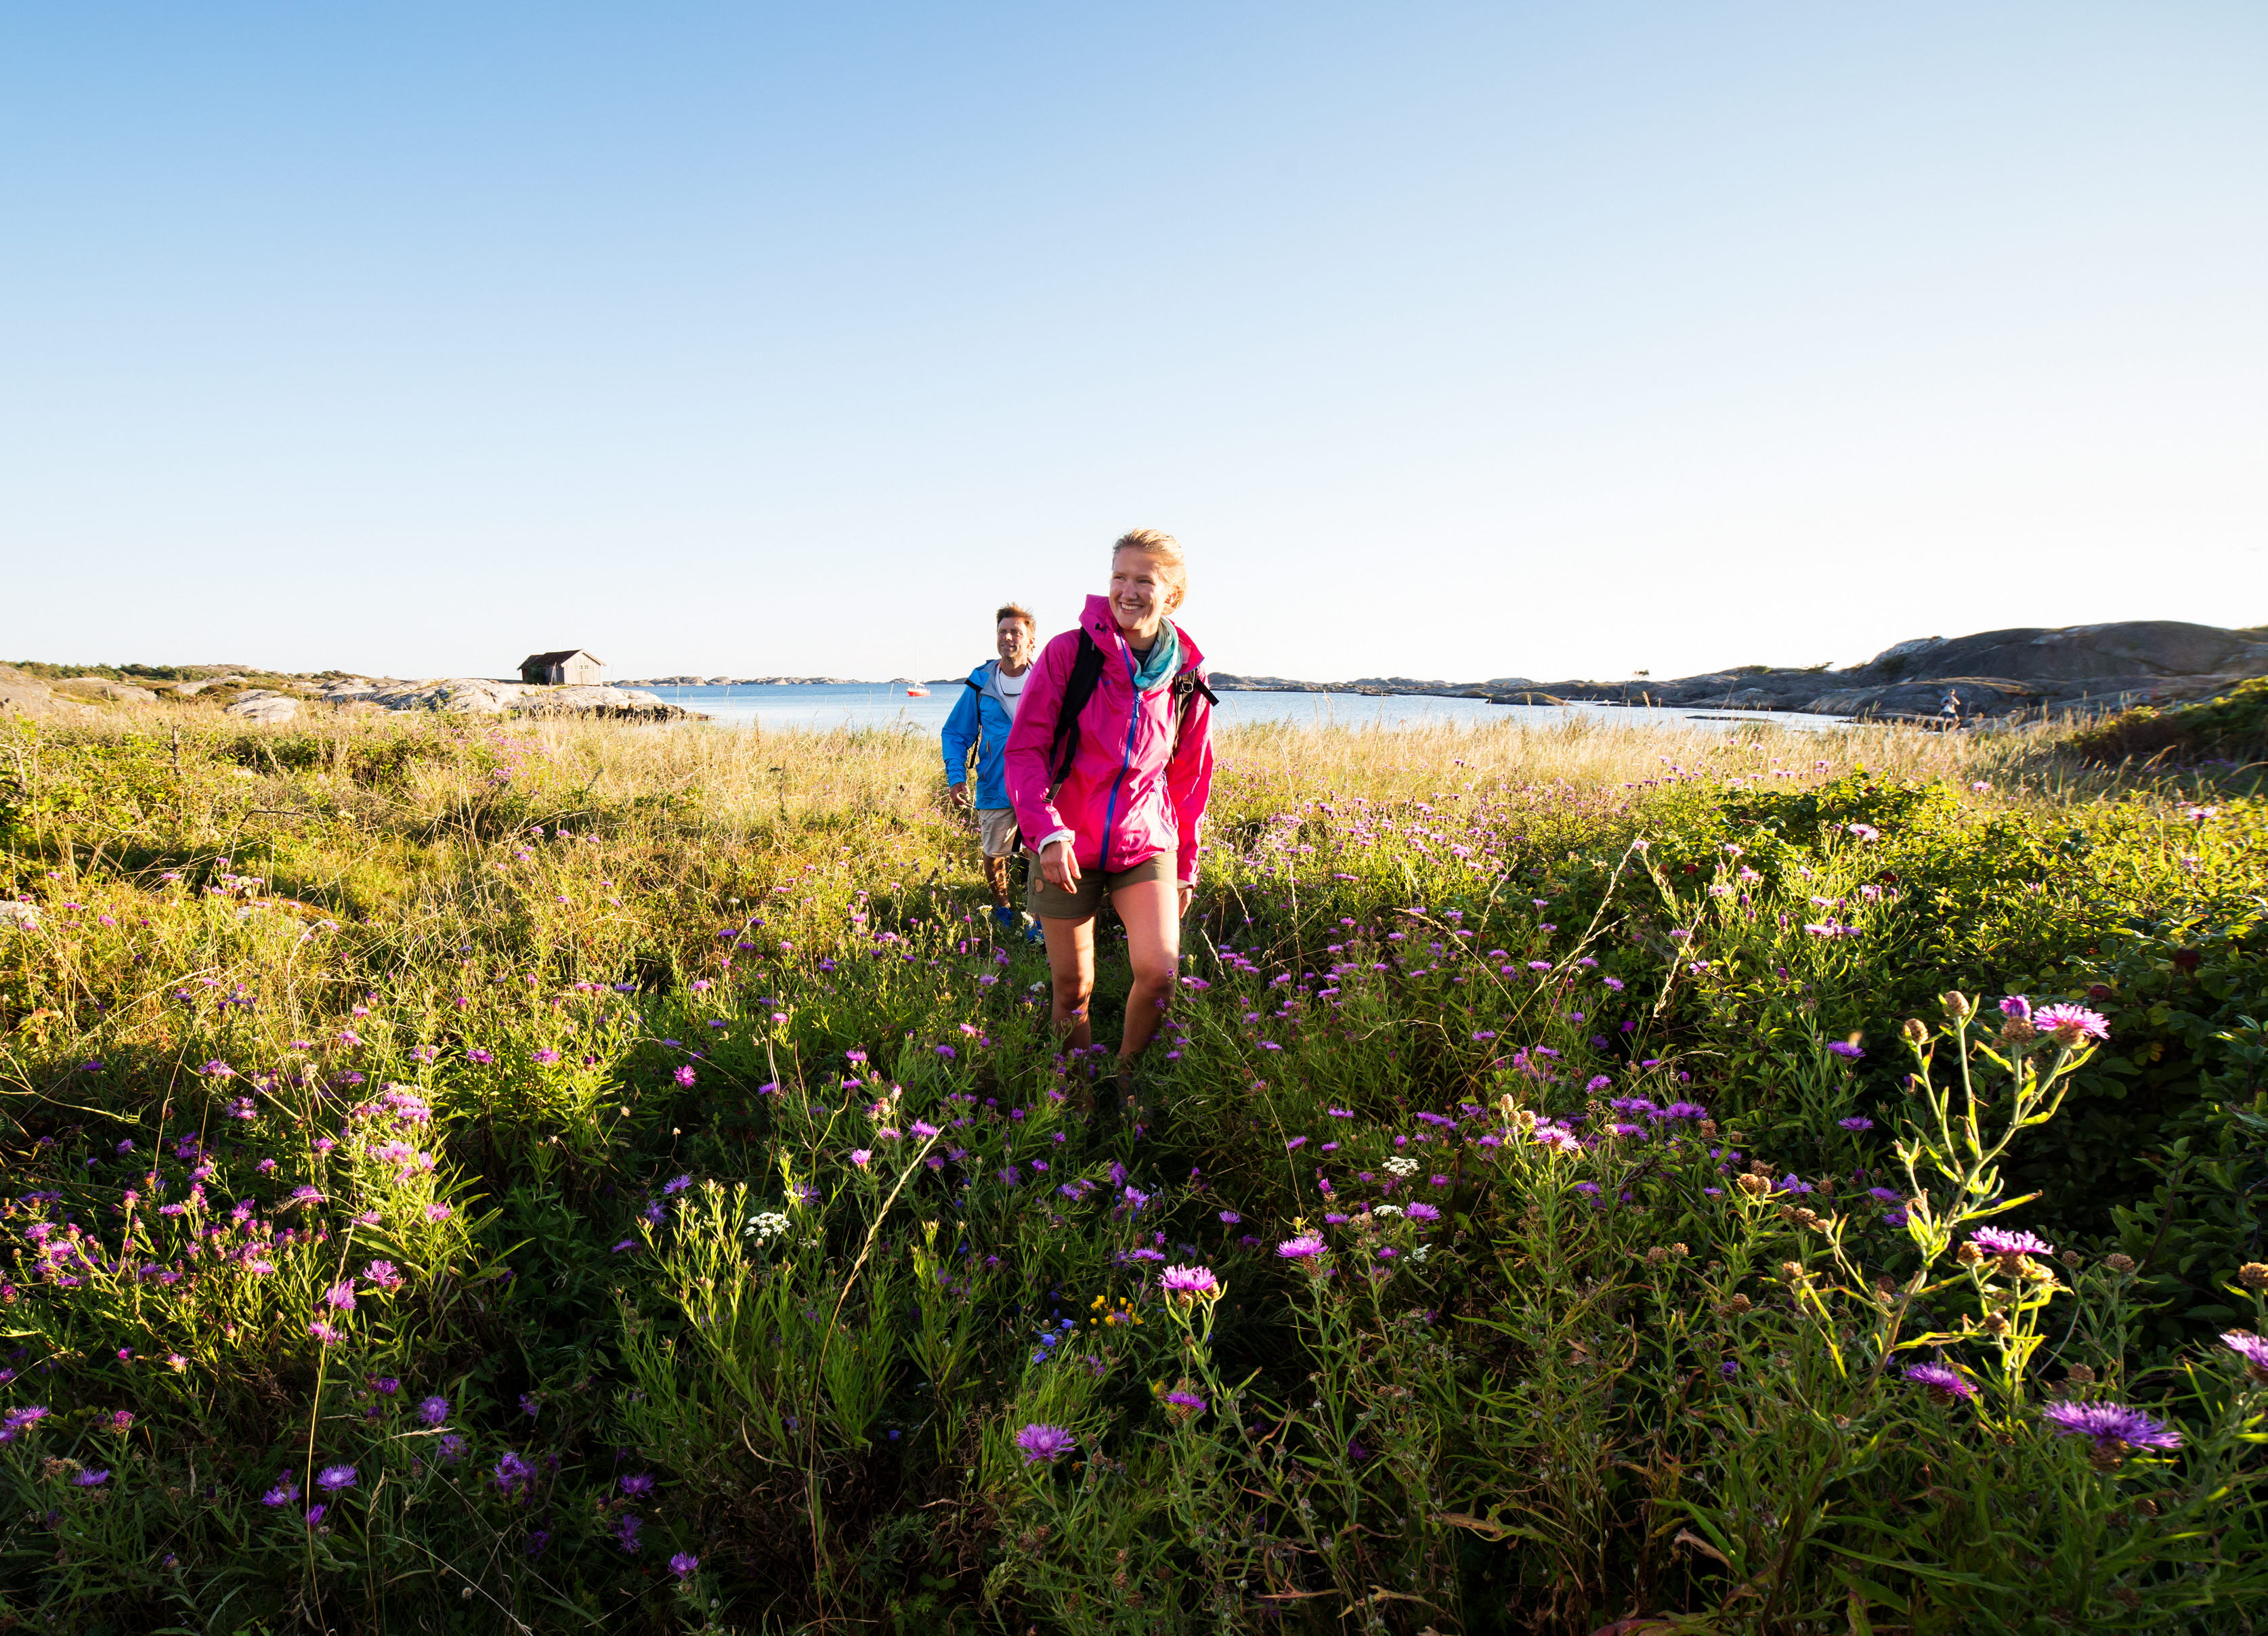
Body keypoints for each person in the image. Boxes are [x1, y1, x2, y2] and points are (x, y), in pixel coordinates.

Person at [1004, 529, 1215, 1115]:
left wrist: (1186, 865)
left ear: (1170, 594)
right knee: (1073, 990)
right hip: (1062, 847)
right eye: (1119, 577)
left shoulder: (1187, 676)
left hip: (1145, 846)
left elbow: (1190, 781)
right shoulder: (1069, 654)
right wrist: (1045, 830)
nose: (1127, 590)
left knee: (1158, 975)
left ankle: (1126, 1081)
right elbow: (1023, 751)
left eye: (1143, 580)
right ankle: (1074, 1100)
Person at [941, 603, 1040, 934]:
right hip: (994, 782)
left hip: (1038, 786)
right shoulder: (980, 682)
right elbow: (956, 732)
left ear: (1031, 641)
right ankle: (1003, 908)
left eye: (1016, 632)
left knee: (1039, 852)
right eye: (1003, 631)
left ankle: (1037, 919)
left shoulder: (1047, 679)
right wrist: (956, 777)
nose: (1008, 637)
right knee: (994, 852)